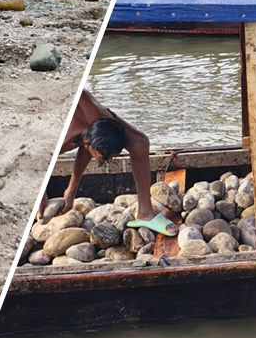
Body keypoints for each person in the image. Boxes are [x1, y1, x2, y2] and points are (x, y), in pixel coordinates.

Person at [48, 89, 175, 236]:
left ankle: (145, 213)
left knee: (139, 142)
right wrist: (42, 198)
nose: (110, 161)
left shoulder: (102, 120)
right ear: (86, 142)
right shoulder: (62, 140)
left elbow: (87, 147)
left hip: (88, 108)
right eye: (105, 157)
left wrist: (71, 190)